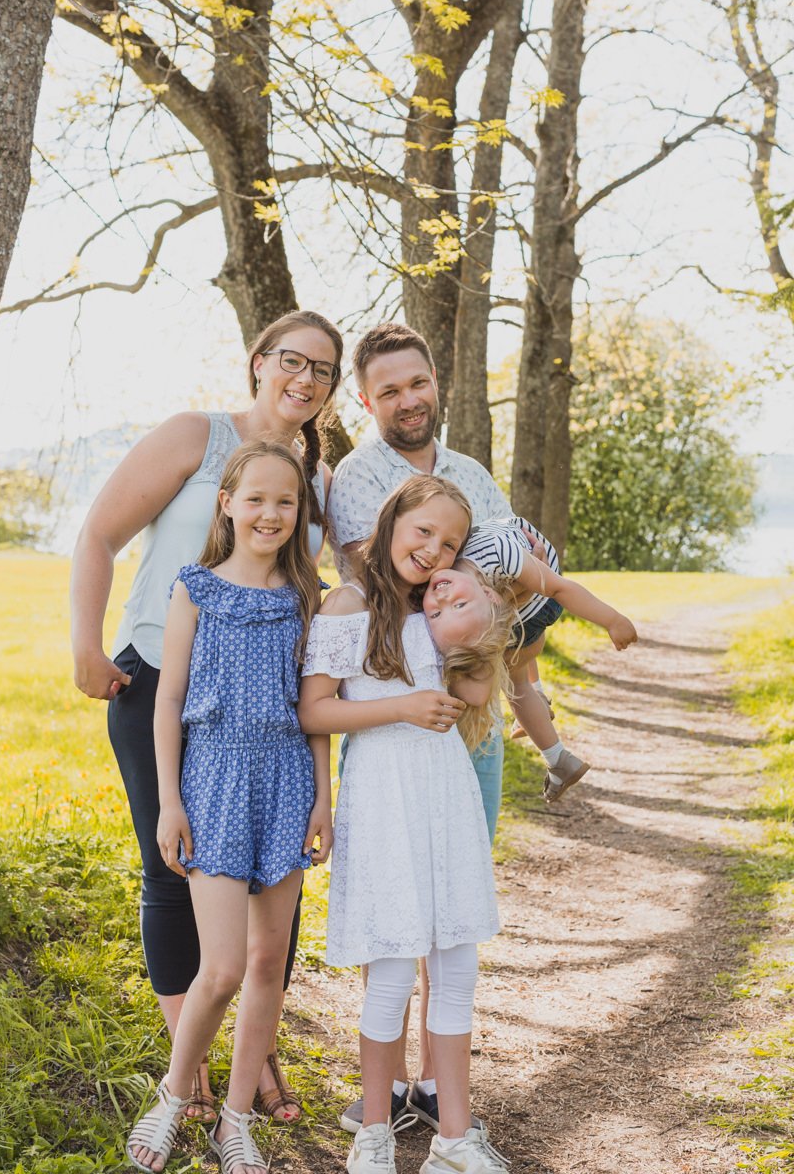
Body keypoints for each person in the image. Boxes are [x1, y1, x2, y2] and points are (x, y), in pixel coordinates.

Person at [71, 309, 342, 1122]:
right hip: (158, 680)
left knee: (267, 875)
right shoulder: (195, 436)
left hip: (262, 721)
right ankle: (184, 1059)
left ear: (332, 390)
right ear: (259, 361)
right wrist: (87, 642)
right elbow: (98, 535)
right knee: (174, 865)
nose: (304, 379)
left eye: (323, 370)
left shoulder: (312, 485)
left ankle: (255, 1060)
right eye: (292, 360)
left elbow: (329, 588)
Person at [326, 321, 515, 1132]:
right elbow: (379, 591)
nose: (408, 399)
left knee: (454, 911)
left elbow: (505, 579)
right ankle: (385, 1096)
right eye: (389, 389)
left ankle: (442, 1096)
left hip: (462, 712)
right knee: (398, 920)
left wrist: (489, 649)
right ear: (367, 400)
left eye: (419, 382)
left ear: (438, 380)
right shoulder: (358, 480)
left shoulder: (471, 472)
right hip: (391, 712)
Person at [126, 440, 332, 1174]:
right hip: (212, 781)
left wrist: (322, 800)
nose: (271, 513)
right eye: (257, 499)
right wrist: (169, 804)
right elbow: (169, 704)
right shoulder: (196, 588)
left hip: (284, 782)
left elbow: (314, 711)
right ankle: (175, 1095)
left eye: (286, 501)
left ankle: (236, 1118)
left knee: (269, 963)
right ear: (227, 504)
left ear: (300, 511)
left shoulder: (307, 599)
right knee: (220, 969)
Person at [298, 476, 509, 1174]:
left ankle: (453, 1138)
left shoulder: (434, 609)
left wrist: (485, 618)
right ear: (392, 521)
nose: (434, 549)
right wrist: (403, 708)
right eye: (423, 531)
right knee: (391, 974)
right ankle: (375, 1135)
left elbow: (474, 689)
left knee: (455, 967)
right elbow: (315, 711)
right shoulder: (349, 604)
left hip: (442, 794)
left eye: (449, 542)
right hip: (384, 795)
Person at [423, 514, 639, 802]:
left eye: (458, 605)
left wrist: (612, 619)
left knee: (516, 685)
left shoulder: (495, 552)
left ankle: (555, 752)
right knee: (512, 676)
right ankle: (552, 741)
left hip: (540, 603)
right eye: (436, 614)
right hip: (513, 602)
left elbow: (559, 587)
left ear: (490, 594)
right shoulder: (452, 577)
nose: (442, 598)